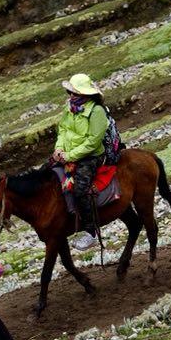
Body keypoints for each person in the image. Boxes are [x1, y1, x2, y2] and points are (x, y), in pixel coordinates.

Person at [52, 73, 109, 251]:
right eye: (69, 92)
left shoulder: (97, 111)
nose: (71, 96)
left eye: (74, 93)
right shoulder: (69, 107)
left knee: (80, 189)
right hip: (67, 153)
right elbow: (63, 130)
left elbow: (93, 142)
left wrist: (70, 156)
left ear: (85, 94)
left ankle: (91, 233)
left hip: (90, 156)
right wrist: (59, 149)